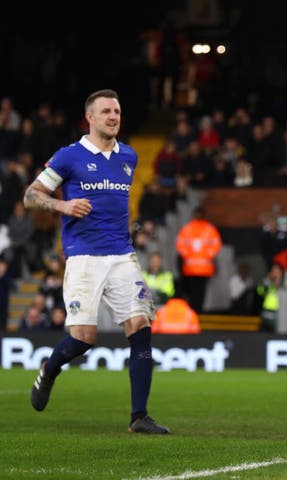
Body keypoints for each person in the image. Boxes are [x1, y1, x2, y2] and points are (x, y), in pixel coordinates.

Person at [23, 89, 170, 434]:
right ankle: (50, 368)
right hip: (84, 258)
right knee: (85, 338)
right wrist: (63, 206)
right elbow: (31, 195)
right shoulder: (69, 156)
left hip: (121, 255)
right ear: (90, 117)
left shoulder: (128, 157)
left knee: (141, 327)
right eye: (106, 111)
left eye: (117, 111)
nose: (113, 117)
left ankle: (139, 417)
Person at [175, 206, 222, 313]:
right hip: (202, 267)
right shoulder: (209, 229)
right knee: (199, 292)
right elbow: (216, 245)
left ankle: (194, 312)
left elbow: (180, 245)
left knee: (194, 292)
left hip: (192, 267)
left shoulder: (188, 228)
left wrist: (189, 256)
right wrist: (206, 255)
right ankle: (197, 312)